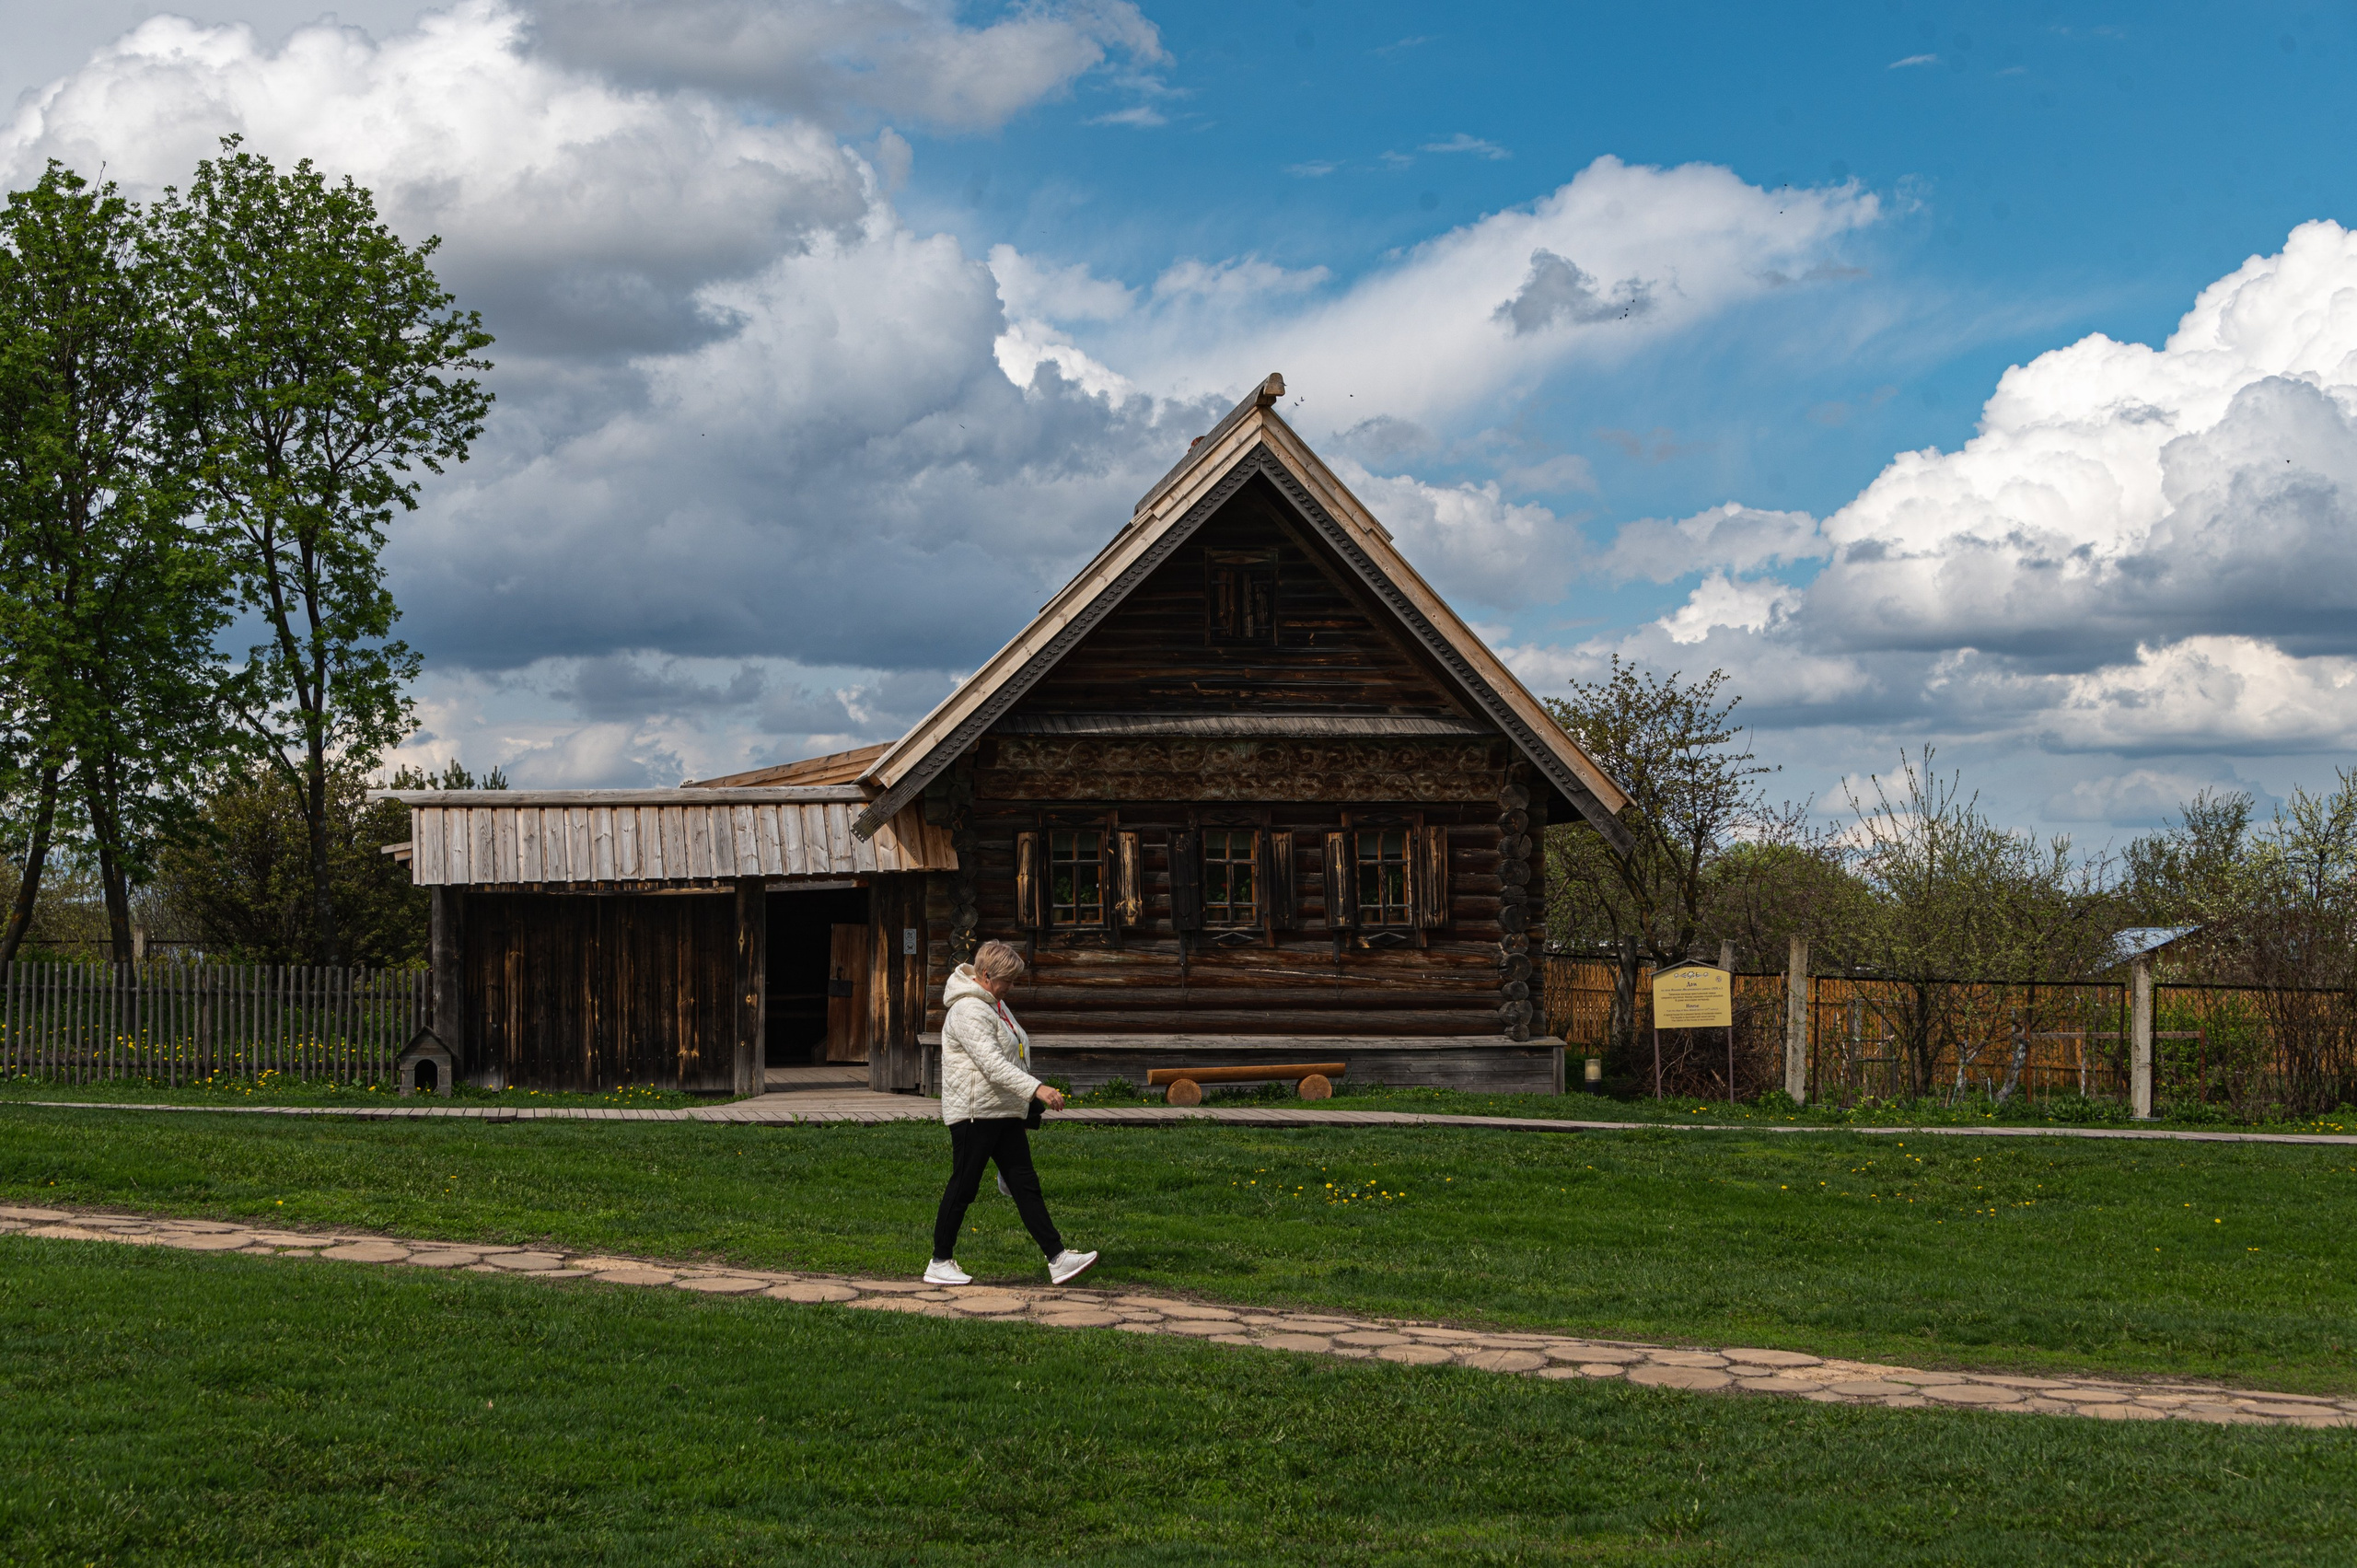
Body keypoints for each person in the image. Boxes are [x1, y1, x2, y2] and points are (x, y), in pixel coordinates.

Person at [925, 940, 1098, 1286]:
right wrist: (1037, 1089)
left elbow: (1015, 1050)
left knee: (1025, 1184)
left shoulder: (995, 1005)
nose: (1012, 987)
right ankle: (939, 1262)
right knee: (963, 1187)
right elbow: (991, 1064)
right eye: (1008, 980)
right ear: (986, 976)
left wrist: (1024, 1103)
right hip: (975, 1115)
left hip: (1002, 1112)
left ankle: (1058, 1258)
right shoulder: (968, 1010)